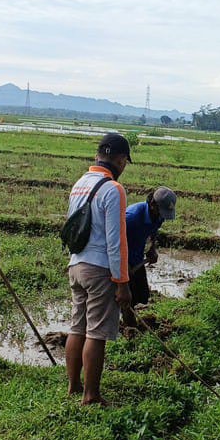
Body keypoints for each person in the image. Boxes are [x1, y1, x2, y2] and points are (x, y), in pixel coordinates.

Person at [65, 133, 134, 406]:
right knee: (96, 333)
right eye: (125, 161)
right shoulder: (113, 189)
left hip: (76, 264)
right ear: (119, 159)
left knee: (76, 327)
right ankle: (91, 395)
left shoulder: (80, 183)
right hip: (99, 269)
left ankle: (73, 386)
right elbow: (116, 241)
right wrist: (123, 283)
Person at [121, 187, 177, 326]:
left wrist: (152, 248)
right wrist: (123, 266)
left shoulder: (158, 215)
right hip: (122, 261)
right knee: (128, 299)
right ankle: (130, 330)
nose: (163, 216)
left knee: (143, 296)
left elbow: (154, 231)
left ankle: (135, 323)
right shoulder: (131, 218)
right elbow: (115, 242)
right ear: (152, 204)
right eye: (161, 211)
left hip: (137, 258)